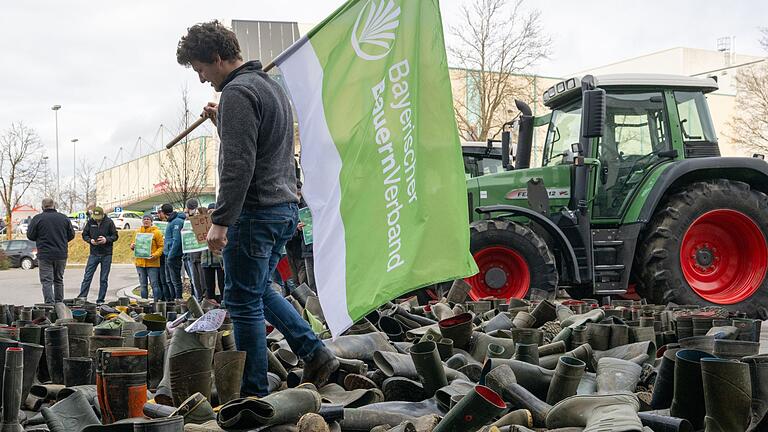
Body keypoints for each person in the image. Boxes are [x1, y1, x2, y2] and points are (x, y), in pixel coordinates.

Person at [177, 20, 338, 397]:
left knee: (242, 299)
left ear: (217, 58)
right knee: (260, 289)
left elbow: (238, 164)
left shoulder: (237, 93)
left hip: (255, 213)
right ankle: (315, 353)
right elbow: (260, 148)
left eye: (201, 69)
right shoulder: (270, 88)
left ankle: (253, 395)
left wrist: (221, 220)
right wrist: (223, 124)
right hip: (282, 209)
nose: (202, 79)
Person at [27, 198, 75, 303]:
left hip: (45, 255)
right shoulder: (64, 218)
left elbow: (30, 236)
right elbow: (71, 235)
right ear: (54, 206)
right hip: (61, 254)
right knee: (58, 280)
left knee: (47, 281)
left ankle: (49, 305)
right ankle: (59, 304)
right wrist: (61, 240)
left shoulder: (37, 219)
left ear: (42, 207)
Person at [78, 207, 118, 303]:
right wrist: (90, 240)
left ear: (103, 214)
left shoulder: (109, 222)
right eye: (95, 217)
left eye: (98, 217)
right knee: (87, 276)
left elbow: (115, 236)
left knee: (103, 278)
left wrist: (106, 240)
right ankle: (82, 298)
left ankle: (100, 300)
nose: (97, 219)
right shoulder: (91, 222)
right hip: (94, 253)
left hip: (106, 254)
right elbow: (84, 235)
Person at [130, 215, 164, 301]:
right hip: (140, 263)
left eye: (148, 219)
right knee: (143, 285)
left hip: (152, 263)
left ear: (151, 221)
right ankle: (144, 303)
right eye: (144, 219)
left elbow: (161, 246)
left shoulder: (156, 232)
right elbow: (133, 244)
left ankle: (156, 303)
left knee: (154, 284)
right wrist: (132, 246)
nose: (146, 221)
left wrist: (155, 255)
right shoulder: (138, 232)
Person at [158, 203, 186, 300]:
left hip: (173, 256)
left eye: (160, 212)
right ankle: (172, 299)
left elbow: (176, 240)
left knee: (175, 280)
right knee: (168, 280)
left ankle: (178, 299)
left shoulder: (177, 222)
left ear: (164, 212)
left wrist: (171, 255)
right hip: (167, 254)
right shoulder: (171, 221)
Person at [201, 203, 224, 302]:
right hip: (206, 260)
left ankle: (224, 303)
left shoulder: (221, 225)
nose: (211, 213)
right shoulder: (202, 225)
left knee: (222, 283)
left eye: (213, 211)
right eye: (209, 211)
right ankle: (210, 304)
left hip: (219, 259)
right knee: (209, 285)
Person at [183, 198, 204, 300]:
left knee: (202, 281)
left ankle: (203, 299)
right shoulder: (187, 220)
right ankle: (199, 299)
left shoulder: (201, 218)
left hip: (200, 255)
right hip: (191, 256)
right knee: (195, 281)